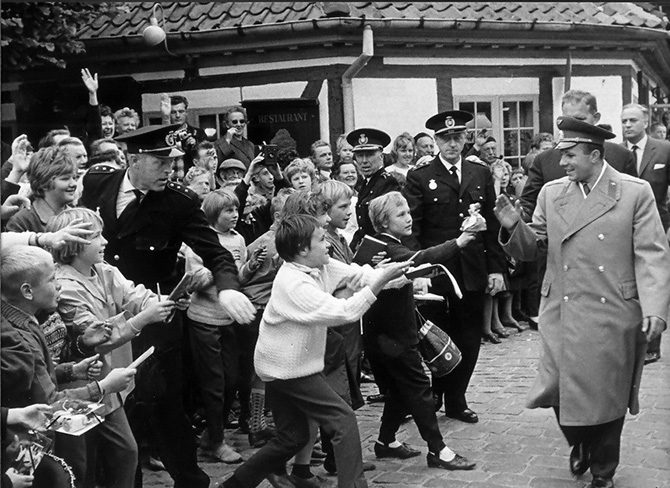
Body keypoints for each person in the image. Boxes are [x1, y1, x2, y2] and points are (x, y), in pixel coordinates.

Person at [494, 116, 670, 488]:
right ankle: (580, 439)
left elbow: (652, 254)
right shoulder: (552, 193)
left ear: (594, 154)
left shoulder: (634, 192)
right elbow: (533, 248)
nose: (563, 163)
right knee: (558, 386)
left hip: (613, 309)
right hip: (561, 307)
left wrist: (655, 309)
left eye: (570, 155)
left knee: (607, 393)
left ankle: (603, 469)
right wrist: (513, 227)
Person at [80, 124, 255, 488]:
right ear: (133, 159)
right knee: (114, 406)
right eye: (159, 162)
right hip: (102, 314)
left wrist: (227, 289)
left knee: (164, 403)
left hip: (154, 317)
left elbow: (216, 253)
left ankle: (190, 481)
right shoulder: (97, 184)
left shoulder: (179, 202)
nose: (169, 169)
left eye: (171, 161)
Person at [219, 214, 410, 488]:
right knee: (343, 420)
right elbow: (346, 312)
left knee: (292, 437)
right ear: (302, 249)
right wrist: (381, 283)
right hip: (288, 370)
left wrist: (404, 275)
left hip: (283, 367)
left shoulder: (319, 265)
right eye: (321, 239)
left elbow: (359, 274)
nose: (327, 244)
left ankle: (234, 484)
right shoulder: (294, 283)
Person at [48, 207, 178, 488]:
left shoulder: (104, 270)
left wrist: (164, 301)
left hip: (109, 386)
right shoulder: (64, 285)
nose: (105, 241)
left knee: (125, 453)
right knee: (84, 464)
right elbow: (97, 338)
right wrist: (145, 317)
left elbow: (135, 295)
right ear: (74, 245)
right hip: (81, 387)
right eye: (96, 236)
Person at [1, 246, 137, 487]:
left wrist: (71, 371)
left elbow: (38, 374)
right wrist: (103, 387)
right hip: (23, 442)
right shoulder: (19, 338)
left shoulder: (21, 318)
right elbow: (49, 403)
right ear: (27, 291)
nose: (59, 285)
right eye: (52, 279)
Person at [403, 110, 507, 424]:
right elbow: (413, 230)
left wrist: (496, 269)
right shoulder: (421, 176)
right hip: (436, 271)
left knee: (470, 336)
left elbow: (492, 225)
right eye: (445, 138)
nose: (452, 143)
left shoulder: (480, 173)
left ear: (466, 138)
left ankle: (457, 399)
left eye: (457, 137)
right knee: (437, 334)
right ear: (436, 141)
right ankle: (437, 392)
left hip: (473, 269)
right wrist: (418, 272)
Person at [364, 191, 476, 471]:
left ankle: (386, 441)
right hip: (394, 336)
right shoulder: (388, 248)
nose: (408, 218)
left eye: (408, 212)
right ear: (384, 222)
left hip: (386, 334)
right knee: (418, 388)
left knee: (398, 389)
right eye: (400, 214)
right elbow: (420, 257)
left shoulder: (382, 246)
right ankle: (438, 450)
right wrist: (458, 242)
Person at [185, 189, 247, 464]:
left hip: (228, 318)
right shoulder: (200, 241)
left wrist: (244, 269)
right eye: (228, 211)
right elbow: (193, 280)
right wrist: (220, 268)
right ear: (212, 214)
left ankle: (212, 434)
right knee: (214, 382)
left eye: (236, 210)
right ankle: (216, 441)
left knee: (232, 378)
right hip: (204, 318)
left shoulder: (238, 239)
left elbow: (240, 275)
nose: (234, 215)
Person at [519, 89, 636, 220]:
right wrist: (518, 217)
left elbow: (632, 204)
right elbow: (529, 206)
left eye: (579, 119)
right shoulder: (544, 160)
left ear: (596, 118)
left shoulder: (621, 156)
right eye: (567, 120)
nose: (573, 125)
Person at [621, 103, 670, 364]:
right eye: (624, 121)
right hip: (622, 226)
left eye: (633, 120)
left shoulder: (663, 149)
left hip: (658, 225)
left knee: (652, 279)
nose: (627, 125)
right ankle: (630, 341)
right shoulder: (616, 152)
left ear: (646, 122)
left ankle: (652, 344)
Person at [348, 128, 400, 250]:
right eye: (360, 155)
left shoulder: (387, 182)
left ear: (381, 156)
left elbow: (387, 227)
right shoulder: (366, 183)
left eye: (370, 155)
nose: (364, 161)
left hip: (381, 248)